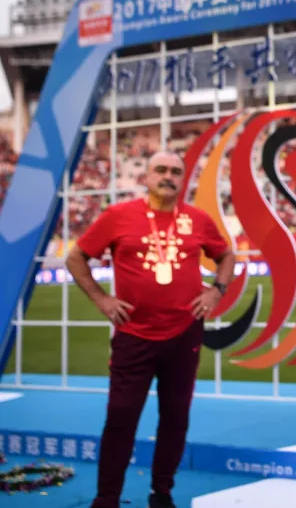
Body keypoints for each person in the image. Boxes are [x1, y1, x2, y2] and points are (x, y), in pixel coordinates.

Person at [66, 151, 235, 508]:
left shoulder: (197, 219)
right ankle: (106, 497)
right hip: (133, 335)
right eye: (160, 169)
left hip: (184, 334)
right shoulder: (118, 216)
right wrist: (101, 299)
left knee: (175, 419)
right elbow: (75, 257)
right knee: (120, 419)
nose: (168, 176)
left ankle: (162, 492)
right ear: (146, 176)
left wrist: (215, 290)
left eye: (176, 171)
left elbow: (226, 256)